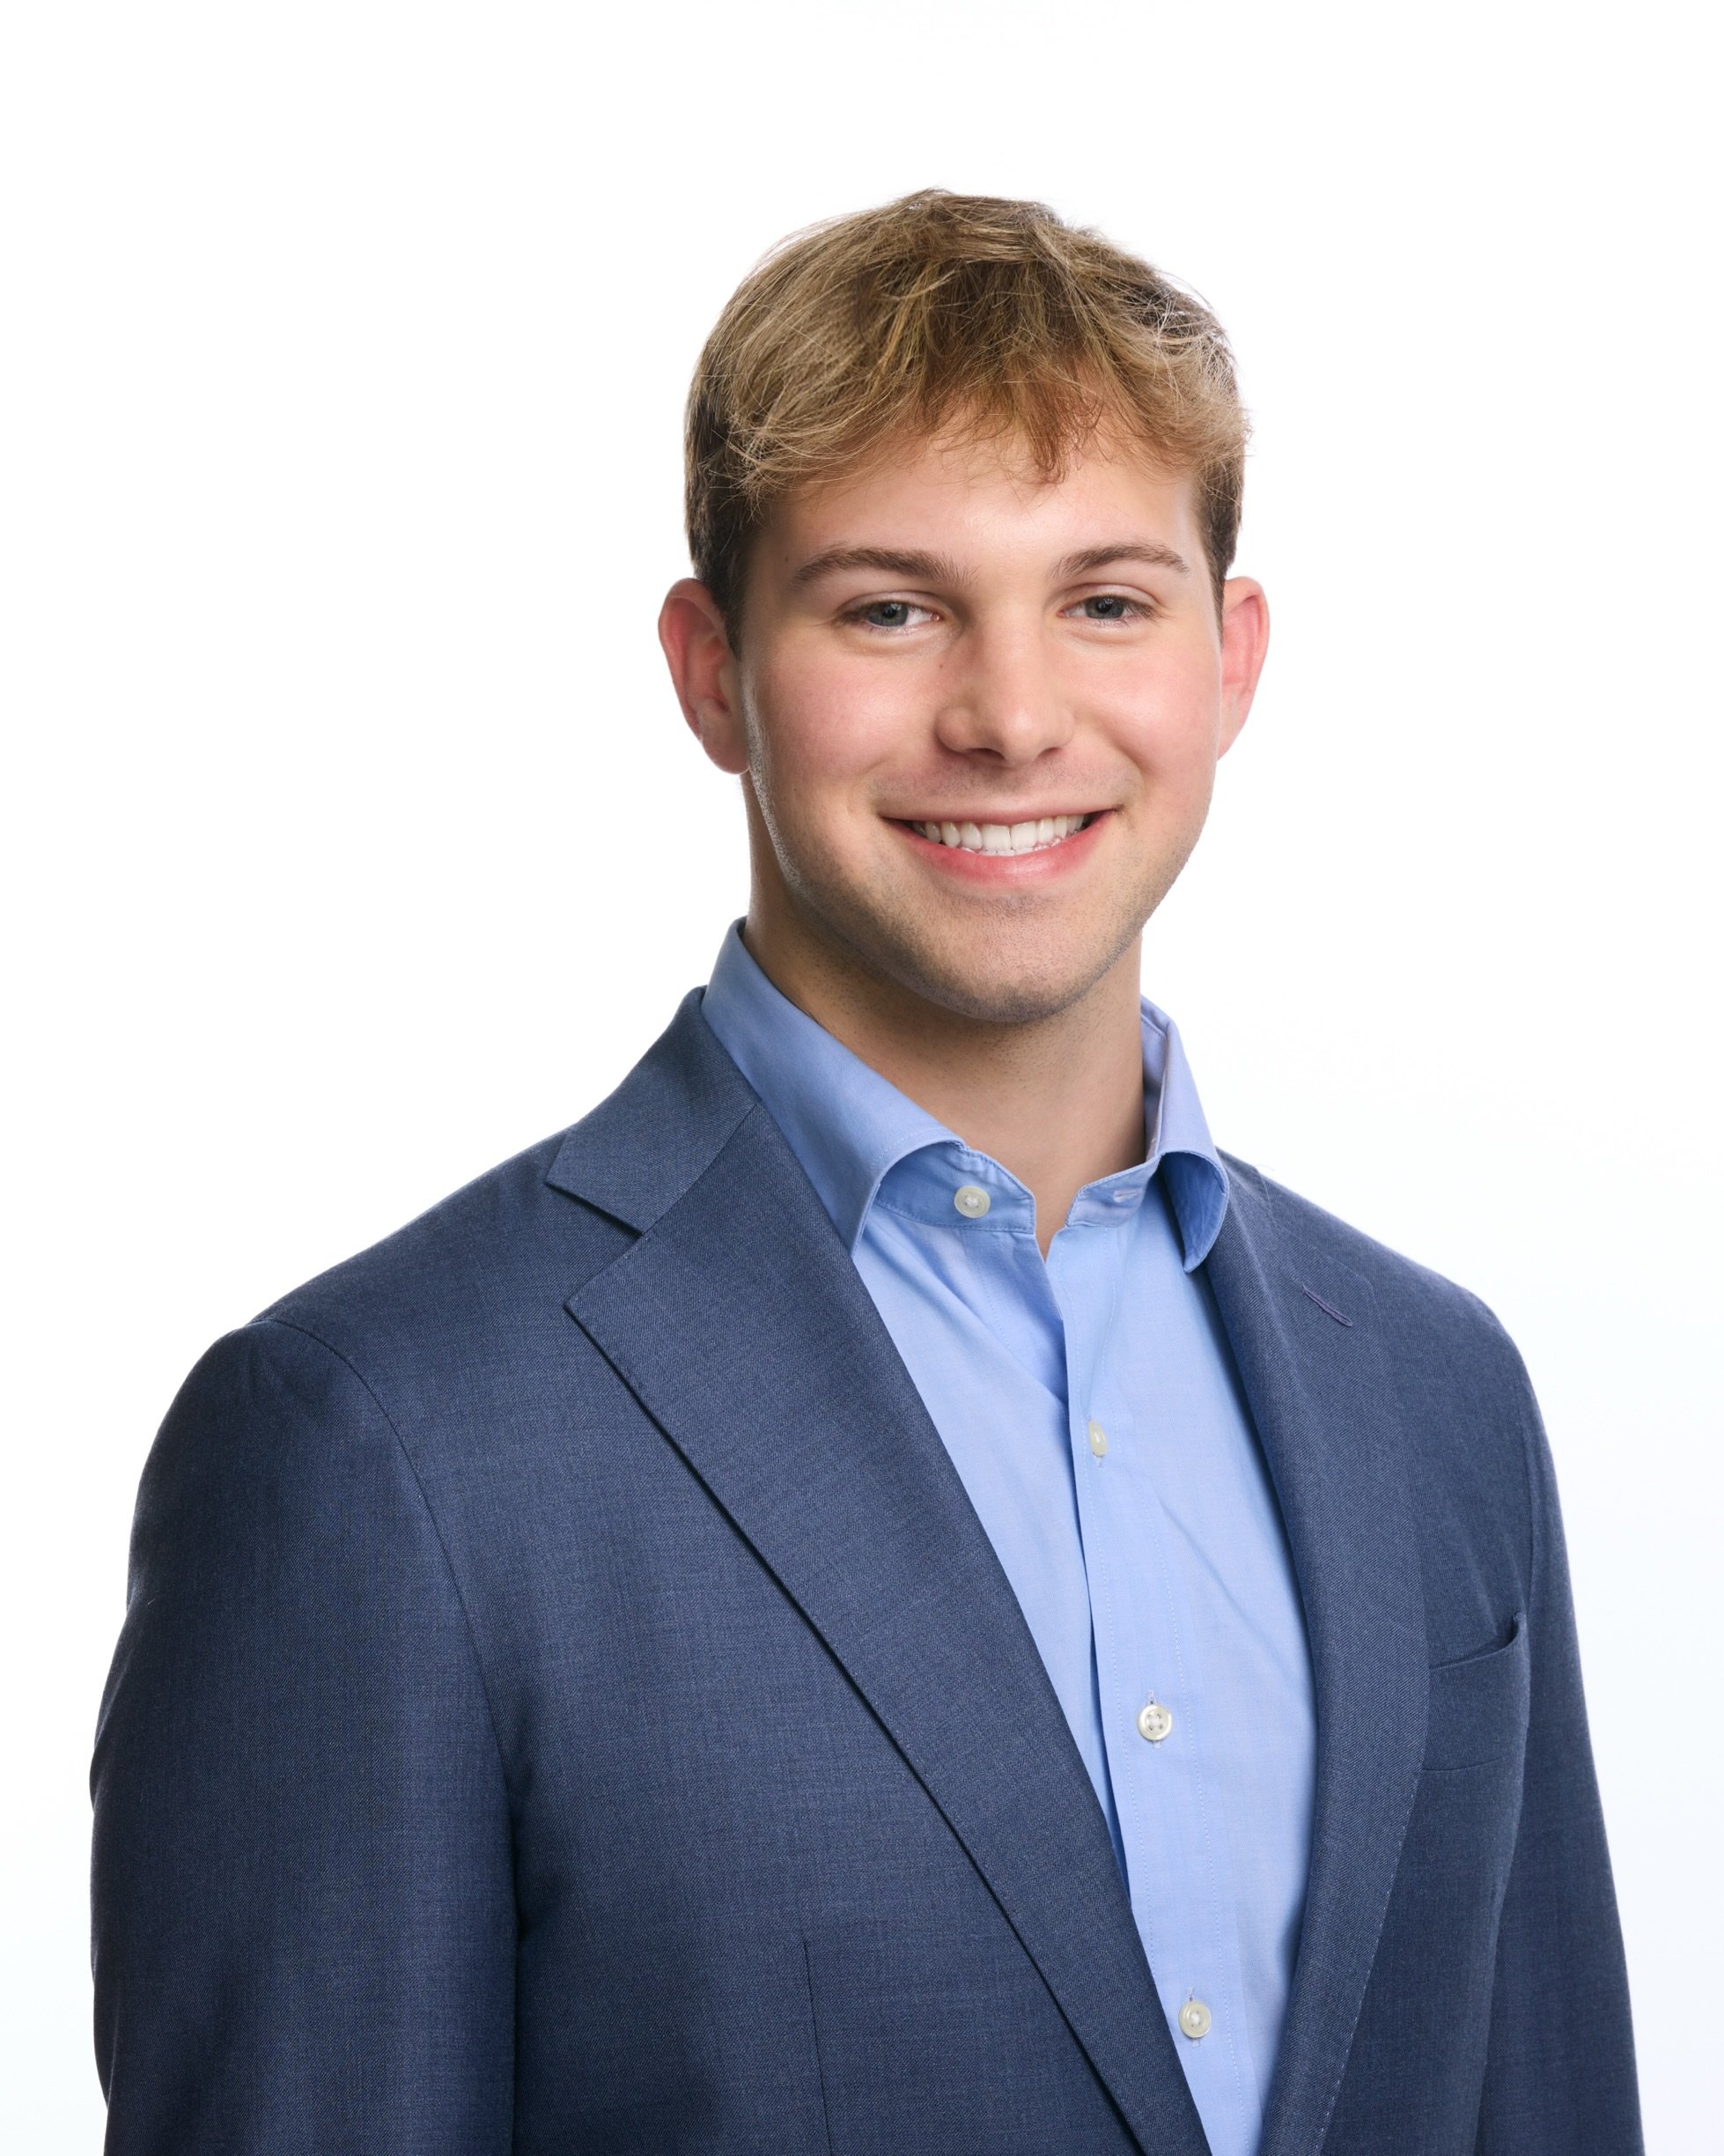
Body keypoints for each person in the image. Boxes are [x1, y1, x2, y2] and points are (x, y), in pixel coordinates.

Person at [90, 189, 1640, 2156]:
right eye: (888, 608)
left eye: (1104, 600)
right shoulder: (384, 1441)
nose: (1008, 717)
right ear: (713, 671)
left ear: (1228, 661)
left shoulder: (1435, 1399)